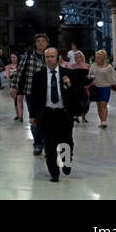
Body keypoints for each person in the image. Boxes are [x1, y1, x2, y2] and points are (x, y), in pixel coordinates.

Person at [29, 47, 82, 182]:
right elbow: (34, 96)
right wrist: (32, 116)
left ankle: (66, 162)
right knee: (50, 145)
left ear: (58, 58)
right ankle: (54, 173)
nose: (50, 59)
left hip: (64, 114)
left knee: (67, 141)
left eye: (52, 56)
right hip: (47, 114)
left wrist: (69, 84)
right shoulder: (39, 75)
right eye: (47, 57)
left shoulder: (68, 73)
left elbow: (78, 93)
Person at [15, 34, 49, 155]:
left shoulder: (50, 56)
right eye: (38, 41)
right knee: (34, 118)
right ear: (35, 43)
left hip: (47, 93)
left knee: (46, 118)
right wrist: (14, 86)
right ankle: (37, 144)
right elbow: (19, 71)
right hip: (30, 92)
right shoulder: (28, 56)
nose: (40, 43)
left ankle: (46, 141)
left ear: (47, 43)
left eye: (43, 41)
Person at [87, 50, 116, 127]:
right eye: (96, 57)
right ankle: (101, 121)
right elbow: (89, 75)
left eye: (99, 57)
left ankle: (104, 122)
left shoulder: (109, 67)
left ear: (103, 58)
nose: (97, 59)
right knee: (99, 105)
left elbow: (113, 78)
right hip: (96, 88)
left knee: (103, 104)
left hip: (106, 88)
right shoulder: (93, 65)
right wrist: (90, 77)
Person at [5, 53, 23, 121]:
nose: (12, 59)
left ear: (17, 57)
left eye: (14, 57)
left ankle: (20, 115)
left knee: (19, 100)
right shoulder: (8, 66)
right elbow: (7, 75)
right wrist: (7, 77)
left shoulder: (21, 65)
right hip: (12, 86)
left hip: (21, 85)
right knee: (15, 100)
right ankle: (18, 115)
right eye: (11, 57)